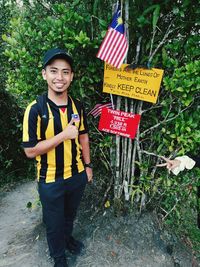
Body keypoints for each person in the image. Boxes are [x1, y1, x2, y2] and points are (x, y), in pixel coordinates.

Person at [22, 48, 93, 267]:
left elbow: (83, 138)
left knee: (69, 216)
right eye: (54, 71)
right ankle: (59, 258)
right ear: (45, 74)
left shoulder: (77, 106)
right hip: (50, 180)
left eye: (65, 72)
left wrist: (88, 167)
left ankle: (67, 239)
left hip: (77, 175)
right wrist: (62, 135)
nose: (59, 78)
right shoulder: (35, 109)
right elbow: (30, 150)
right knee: (53, 223)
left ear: (71, 76)